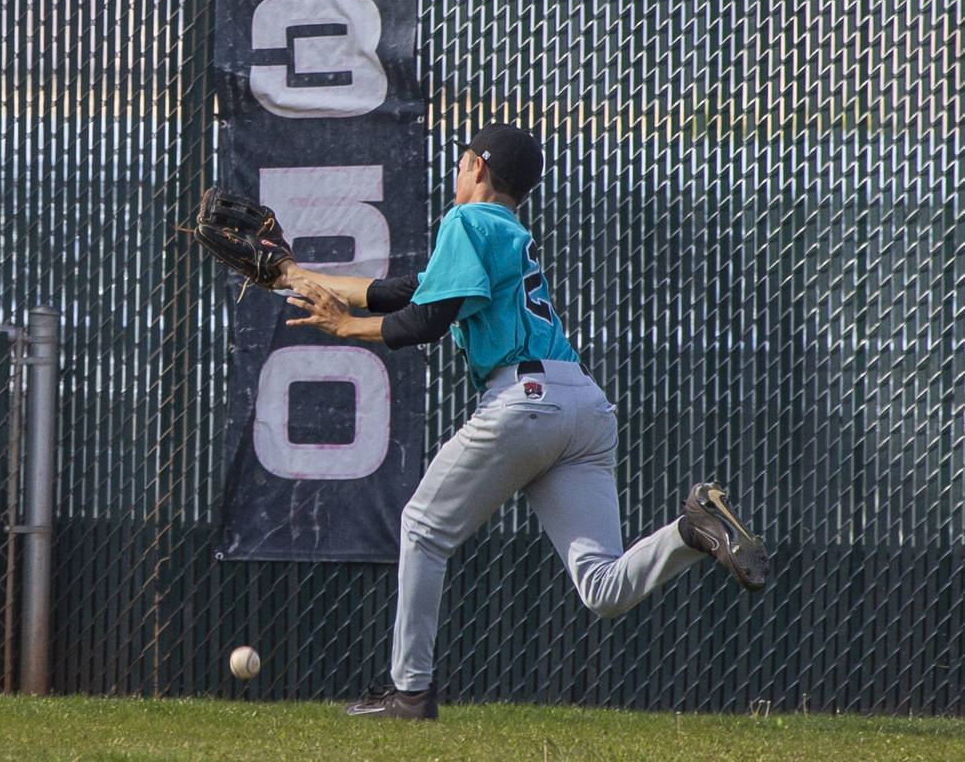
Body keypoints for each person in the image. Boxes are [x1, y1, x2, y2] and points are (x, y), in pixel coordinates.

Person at [271, 123, 768, 720]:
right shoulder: (506, 232)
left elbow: (423, 322)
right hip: (582, 404)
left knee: (424, 528)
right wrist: (294, 278)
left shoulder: (465, 223)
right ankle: (692, 530)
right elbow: (399, 292)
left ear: (477, 167)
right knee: (603, 587)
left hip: (524, 399)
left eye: (460, 162)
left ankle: (410, 693)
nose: (456, 174)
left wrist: (344, 327)